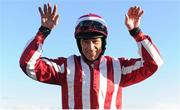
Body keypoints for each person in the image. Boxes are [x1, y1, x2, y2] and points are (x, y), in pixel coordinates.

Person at [19, 3, 163, 109]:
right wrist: (43, 31)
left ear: (103, 42)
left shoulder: (119, 67)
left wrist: (136, 32)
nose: (90, 47)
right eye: (85, 42)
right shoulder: (64, 67)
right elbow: (28, 65)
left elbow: (154, 63)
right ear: (79, 44)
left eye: (95, 41)